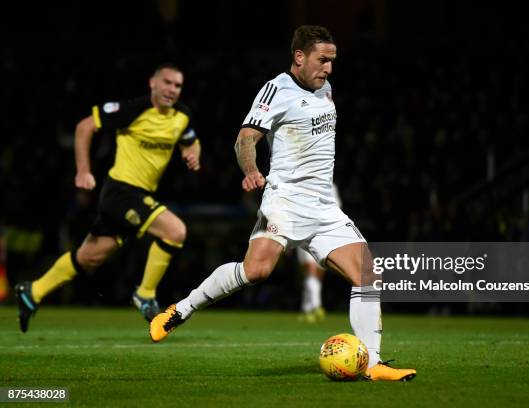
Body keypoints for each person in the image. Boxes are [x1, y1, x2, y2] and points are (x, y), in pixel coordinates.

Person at [150, 26, 416, 381]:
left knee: (367, 274)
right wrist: (251, 169)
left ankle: (373, 365)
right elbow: (245, 139)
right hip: (285, 202)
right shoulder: (277, 90)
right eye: (323, 60)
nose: (329, 69)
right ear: (299, 57)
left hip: (322, 207)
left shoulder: (325, 88)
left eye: (333, 61)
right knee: (256, 271)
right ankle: (182, 309)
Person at [15, 63, 201, 332]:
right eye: (167, 83)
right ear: (153, 83)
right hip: (122, 192)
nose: (172, 89)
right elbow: (84, 127)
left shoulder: (182, 115)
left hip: (138, 195)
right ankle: (146, 294)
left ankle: (32, 291)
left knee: (90, 256)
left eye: (178, 85)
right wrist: (83, 171)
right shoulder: (132, 110)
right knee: (175, 231)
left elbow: (190, 140)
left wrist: (192, 153)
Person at [298, 183, 341, 323]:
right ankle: (317, 306)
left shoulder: (331, 186)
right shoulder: (300, 184)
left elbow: (336, 208)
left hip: (323, 235)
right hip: (303, 234)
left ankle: (306, 309)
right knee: (310, 271)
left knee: (317, 274)